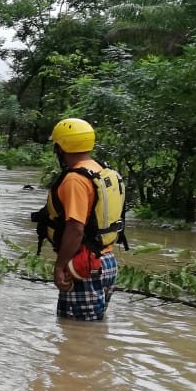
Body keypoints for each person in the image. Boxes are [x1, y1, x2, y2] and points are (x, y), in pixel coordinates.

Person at [42, 117, 122, 321]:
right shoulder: (102, 171)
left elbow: (76, 229)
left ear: (61, 148)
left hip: (84, 264)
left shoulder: (75, 180)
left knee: (77, 338)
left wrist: (60, 266)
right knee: (92, 334)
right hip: (107, 262)